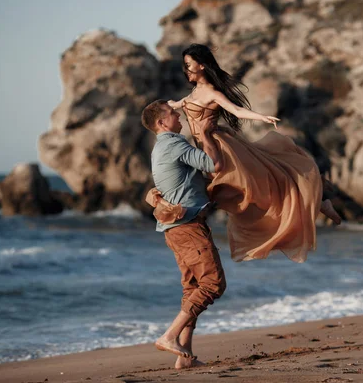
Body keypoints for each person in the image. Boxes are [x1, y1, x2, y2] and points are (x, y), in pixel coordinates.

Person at [154, 43, 341, 264]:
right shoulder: (194, 92)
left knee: (259, 186)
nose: (185, 70)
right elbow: (179, 104)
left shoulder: (212, 92)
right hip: (204, 148)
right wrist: (167, 107)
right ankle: (318, 194)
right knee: (237, 190)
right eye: (184, 66)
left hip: (220, 147)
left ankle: (318, 196)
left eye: (188, 65)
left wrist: (262, 117)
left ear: (201, 66)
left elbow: (235, 110)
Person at [141, 99, 226, 369]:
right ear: (161, 123)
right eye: (172, 114)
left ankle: (184, 356)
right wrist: (207, 134)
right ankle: (169, 336)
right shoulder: (174, 143)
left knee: (192, 289)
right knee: (213, 284)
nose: (177, 116)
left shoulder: (160, 148)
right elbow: (213, 164)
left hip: (176, 229)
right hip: (187, 228)